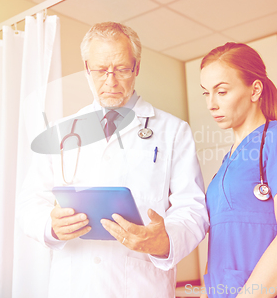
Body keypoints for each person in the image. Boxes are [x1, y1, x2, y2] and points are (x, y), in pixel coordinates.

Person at [18, 22, 209, 298]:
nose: (111, 81)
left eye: (121, 69)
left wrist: (165, 240)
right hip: (74, 284)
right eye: (100, 70)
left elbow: (193, 208)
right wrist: (51, 225)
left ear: (137, 68)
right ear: (86, 69)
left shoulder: (173, 131)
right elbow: (29, 202)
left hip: (140, 286)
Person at [198, 43, 277, 298]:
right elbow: (220, 245)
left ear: (255, 89)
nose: (211, 104)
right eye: (205, 93)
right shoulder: (227, 162)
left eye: (221, 91)